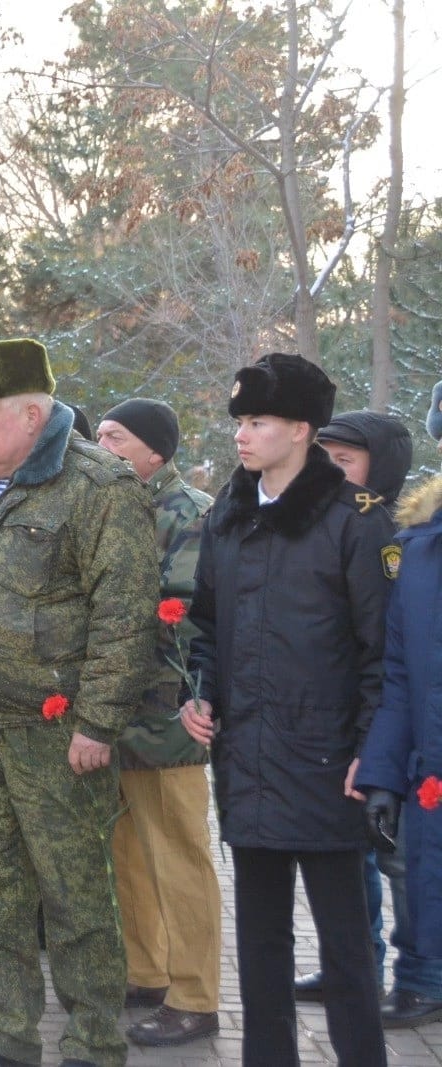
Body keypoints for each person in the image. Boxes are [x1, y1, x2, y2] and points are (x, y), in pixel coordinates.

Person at [0, 339, 159, 1067]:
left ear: (33, 414)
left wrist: (98, 720)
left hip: (58, 735)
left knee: (75, 896)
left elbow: (125, 612)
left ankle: (94, 1040)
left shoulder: (97, 486)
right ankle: (4, 1034)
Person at [181, 353, 390, 1066]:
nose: (242, 434)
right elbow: (204, 625)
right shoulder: (229, 516)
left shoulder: (355, 521)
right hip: (248, 762)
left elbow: (381, 653)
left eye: (258, 420)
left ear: (302, 429)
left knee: (346, 947)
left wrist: (373, 749)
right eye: (239, 420)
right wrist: (198, 691)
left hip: (331, 763)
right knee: (260, 943)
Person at [95, 398, 224, 1047]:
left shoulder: (191, 514)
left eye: (115, 437)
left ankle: (195, 995)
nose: (102, 446)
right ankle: (145, 971)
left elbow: (186, 611)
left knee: (178, 855)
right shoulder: (113, 511)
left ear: (155, 451)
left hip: (169, 709)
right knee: (127, 851)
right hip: (115, 709)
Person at [305, 411, 425, 1014]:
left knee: (398, 855)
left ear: (383, 468)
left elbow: (384, 644)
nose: (329, 472)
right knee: (348, 852)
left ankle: (420, 978)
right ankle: (353, 966)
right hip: (344, 720)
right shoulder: (331, 523)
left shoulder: (387, 532)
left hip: (391, 719)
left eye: (344, 461)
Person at [360, 381, 442, 1029]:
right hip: (427, 767)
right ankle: (421, 978)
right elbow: (398, 675)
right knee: (417, 876)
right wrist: (384, 771)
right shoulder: (419, 549)